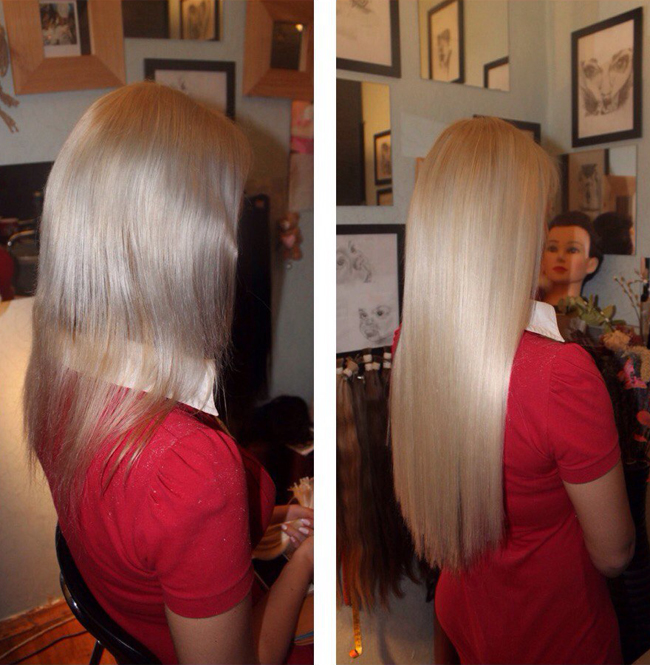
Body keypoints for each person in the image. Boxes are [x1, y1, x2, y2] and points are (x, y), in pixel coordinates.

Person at [24, 82, 313, 665]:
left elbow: (155, 536)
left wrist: (280, 518)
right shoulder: (188, 466)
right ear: (193, 253)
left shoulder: (57, 377)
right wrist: (311, 557)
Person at [390, 117, 634, 664]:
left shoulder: (411, 344)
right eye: (538, 219)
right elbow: (614, 553)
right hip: (553, 632)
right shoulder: (559, 375)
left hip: (467, 613)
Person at [540, 211, 603, 306]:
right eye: (552, 249)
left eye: (572, 250)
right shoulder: (527, 308)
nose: (560, 257)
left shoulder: (589, 314)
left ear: (591, 264)